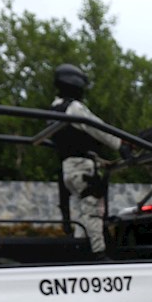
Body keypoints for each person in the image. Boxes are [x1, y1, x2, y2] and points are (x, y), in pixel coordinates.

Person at [50, 63, 122, 253]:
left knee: (83, 212)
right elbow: (98, 128)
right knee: (93, 211)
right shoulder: (74, 108)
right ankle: (99, 254)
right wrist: (121, 145)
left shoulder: (54, 108)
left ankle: (80, 248)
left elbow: (75, 143)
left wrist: (101, 161)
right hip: (82, 169)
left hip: (68, 170)